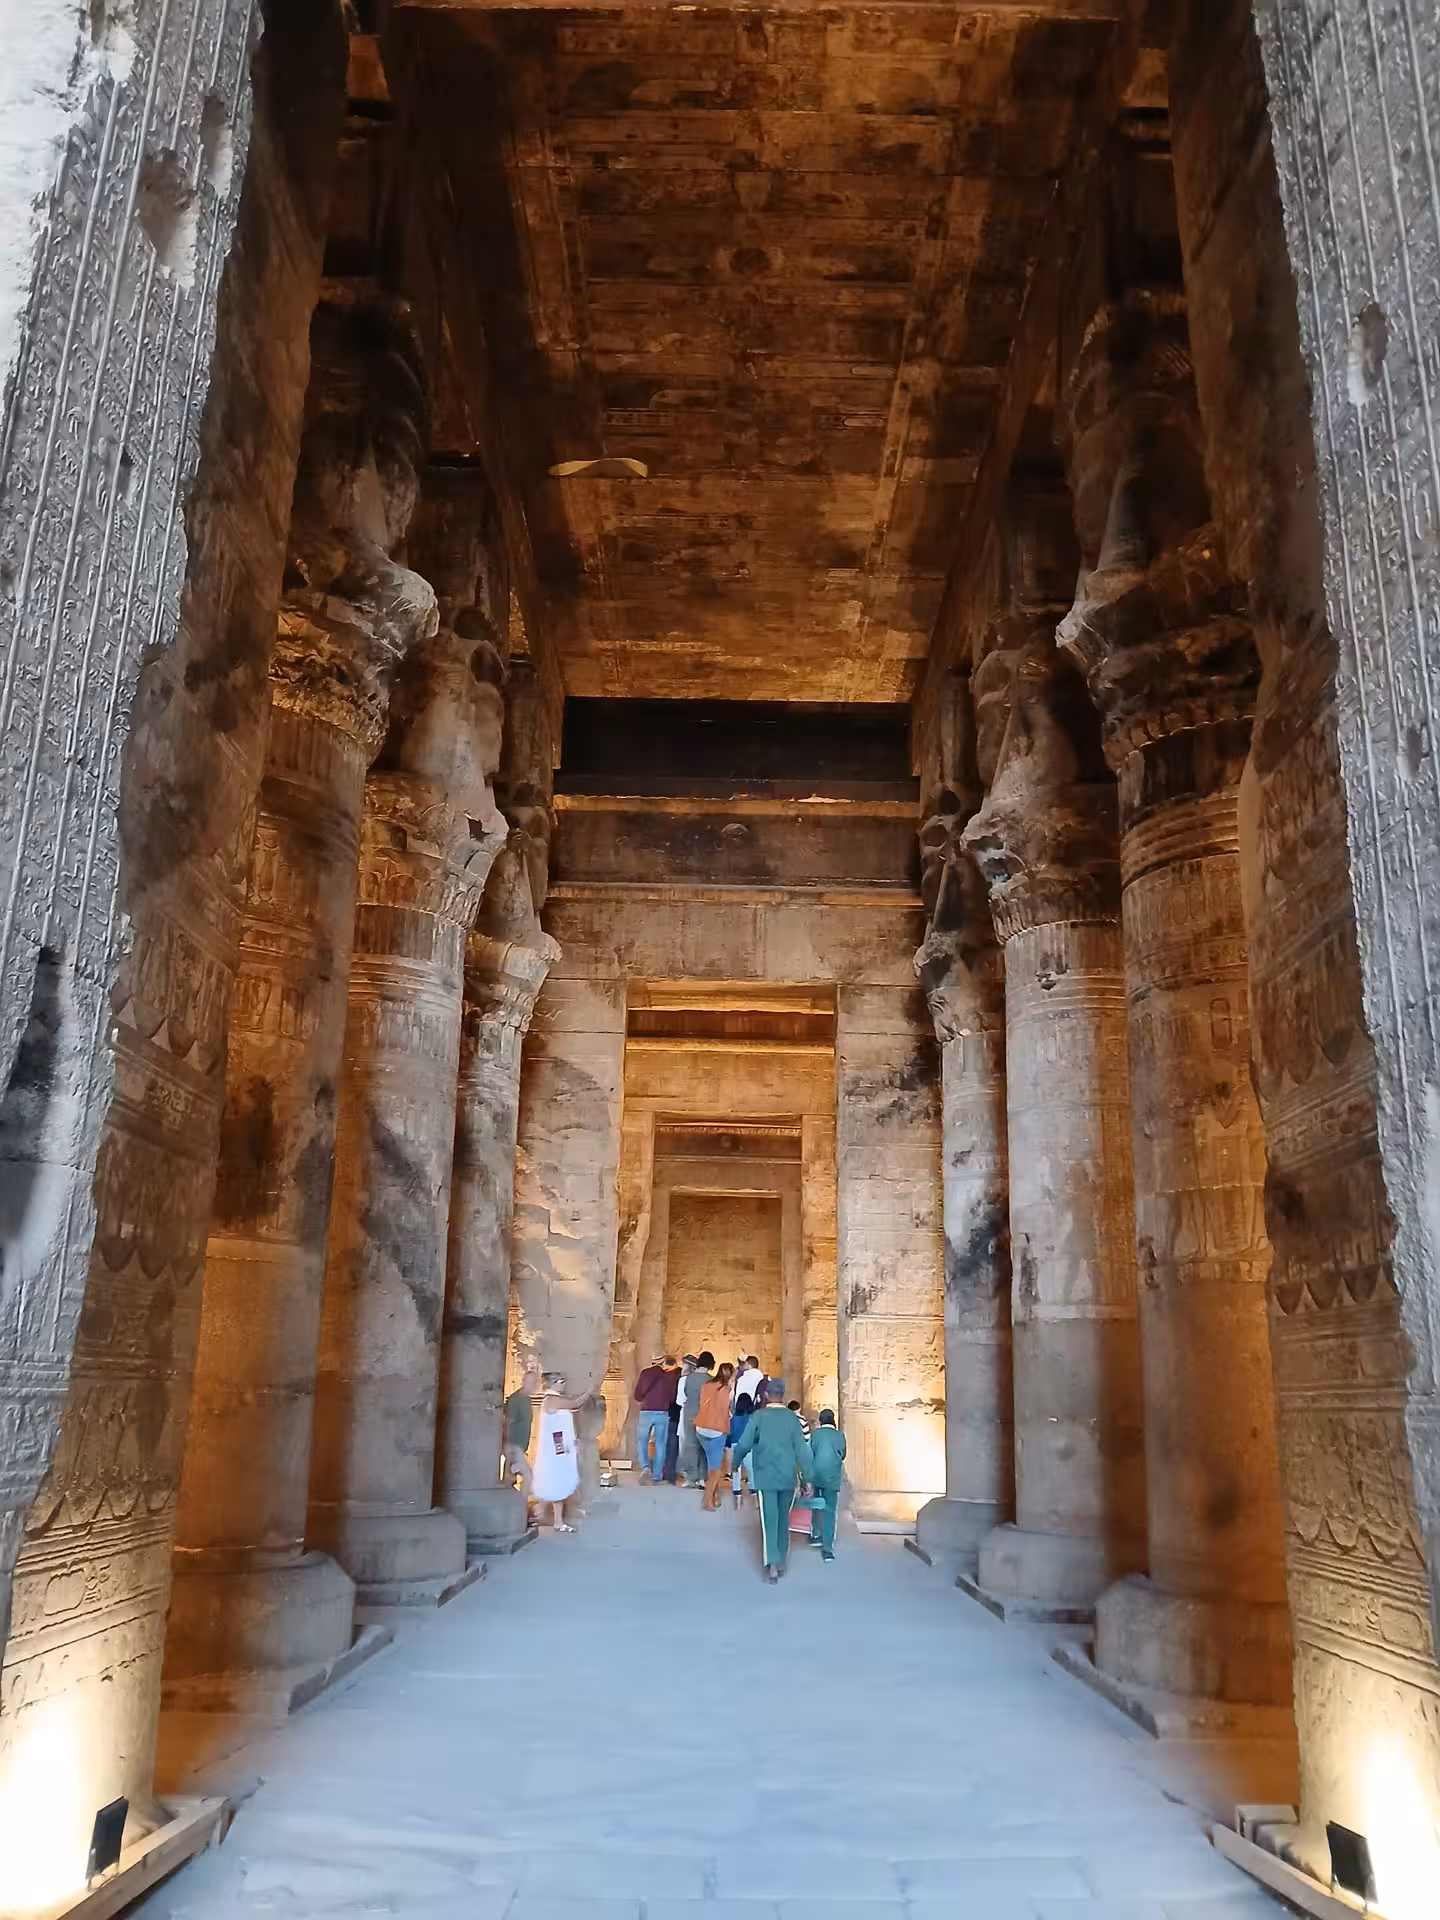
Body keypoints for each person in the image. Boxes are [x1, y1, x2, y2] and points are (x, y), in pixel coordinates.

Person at [730, 1379, 813, 1583]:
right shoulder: (792, 1419)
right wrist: (807, 1478)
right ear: (783, 1394)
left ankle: (772, 1563)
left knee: (769, 1519)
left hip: (765, 1474)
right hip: (787, 1475)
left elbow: (743, 1443)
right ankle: (782, 1559)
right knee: (784, 1518)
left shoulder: (759, 1417)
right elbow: (803, 1450)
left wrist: (734, 1464)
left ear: (766, 1395)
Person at [532, 1371, 581, 1531]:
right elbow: (575, 1403)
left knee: (559, 1480)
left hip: (559, 1445)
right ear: (554, 1383)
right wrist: (589, 1392)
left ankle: (558, 1521)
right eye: (562, 1381)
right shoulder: (552, 1399)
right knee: (555, 1478)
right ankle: (538, 1510)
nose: (564, 1384)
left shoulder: (555, 1399)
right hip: (555, 1447)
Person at [632, 1354, 679, 1483]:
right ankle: (657, 1475)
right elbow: (671, 1397)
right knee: (660, 1444)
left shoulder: (645, 1373)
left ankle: (645, 1467)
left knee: (642, 1441)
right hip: (663, 1412)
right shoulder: (669, 1376)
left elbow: (637, 1394)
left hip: (646, 1411)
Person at [694, 1361, 734, 1509]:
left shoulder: (706, 1385)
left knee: (712, 1464)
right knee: (716, 1469)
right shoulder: (727, 1390)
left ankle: (716, 1495)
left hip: (701, 1427)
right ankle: (707, 1499)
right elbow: (728, 1411)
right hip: (717, 1429)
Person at [808, 1409, 846, 1561]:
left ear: (821, 1420)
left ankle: (816, 1534)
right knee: (830, 1510)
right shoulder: (839, 1435)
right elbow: (843, 1454)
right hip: (832, 1477)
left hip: (816, 1474)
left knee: (816, 1504)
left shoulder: (815, 1435)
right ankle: (827, 1548)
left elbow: (809, 1454)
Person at [501, 1360, 538, 1506]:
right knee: (527, 1476)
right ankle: (520, 1509)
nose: (534, 1386)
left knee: (510, 1479)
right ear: (524, 1381)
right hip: (513, 1447)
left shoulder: (526, 1399)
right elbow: (507, 1424)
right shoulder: (515, 1400)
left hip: (519, 1447)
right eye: (531, 1382)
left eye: (535, 1383)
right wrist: (507, 1447)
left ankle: (509, 1508)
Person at [679, 1350, 714, 1487]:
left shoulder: (689, 1378)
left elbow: (686, 1393)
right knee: (703, 1446)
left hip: (689, 1412)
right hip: (704, 1413)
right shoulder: (710, 1380)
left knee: (690, 1444)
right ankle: (702, 1477)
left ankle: (691, 1477)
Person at [669, 1355, 696, 1483]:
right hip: (699, 1414)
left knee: (685, 1445)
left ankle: (687, 1475)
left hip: (685, 1413)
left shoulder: (684, 1380)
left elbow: (680, 1401)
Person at [728, 1388, 755, 1507]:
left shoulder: (734, 1418)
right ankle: (755, 1500)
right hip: (749, 1446)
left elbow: (730, 1432)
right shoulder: (753, 1418)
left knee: (736, 1472)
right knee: (751, 1471)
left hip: (736, 1445)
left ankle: (737, 1500)